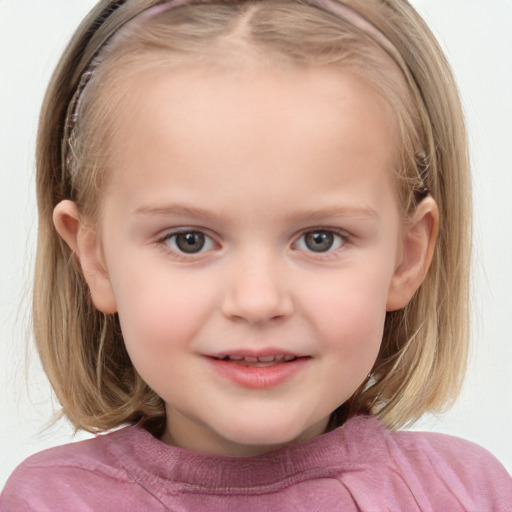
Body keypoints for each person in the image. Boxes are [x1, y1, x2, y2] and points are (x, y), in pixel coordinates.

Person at [1, 0, 511, 509]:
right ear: (96, 259)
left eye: (320, 239)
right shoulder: (52, 502)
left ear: (406, 256)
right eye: (189, 240)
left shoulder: (465, 493)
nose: (257, 301)